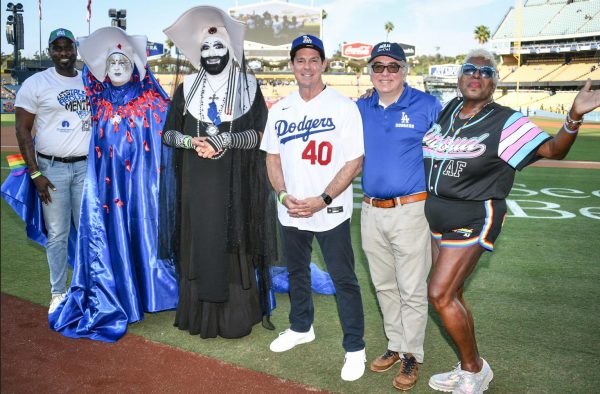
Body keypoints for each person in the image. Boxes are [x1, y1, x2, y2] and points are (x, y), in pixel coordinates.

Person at [423, 48, 600, 393]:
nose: (476, 76)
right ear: (459, 77)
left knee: (439, 294)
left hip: (475, 214)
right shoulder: (449, 110)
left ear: (494, 83)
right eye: (469, 69)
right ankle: (469, 365)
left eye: (486, 72)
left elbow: (553, 150)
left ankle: (475, 369)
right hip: (438, 217)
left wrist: (574, 116)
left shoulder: (504, 120)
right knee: (453, 293)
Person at [48, 26, 179, 341]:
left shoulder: (151, 99)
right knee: (110, 236)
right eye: (112, 63)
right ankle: (115, 293)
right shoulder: (95, 98)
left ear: (135, 65)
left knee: (143, 233)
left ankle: (153, 291)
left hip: (143, 192)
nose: (117, 68)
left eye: (124, 62)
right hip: (107, 191)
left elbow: (171, 135)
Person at [161, 6, 277, 339]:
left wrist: (226, 138)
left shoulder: (248, 86)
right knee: (199, 242)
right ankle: (201, 316)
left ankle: (233, 317)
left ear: (231, 49)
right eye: (205, 48)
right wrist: (188, 139)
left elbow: (259, 134)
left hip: (234, 185)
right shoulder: (186, 88)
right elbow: (168, 134)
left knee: (232, 241)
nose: (212, 54)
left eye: (218, 46)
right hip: (195, 184)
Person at [260, 34, 366, 382]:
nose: (306, 66)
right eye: (300, 60)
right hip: (291, 207)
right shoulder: (281, 109)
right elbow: (272, 156)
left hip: (329, 209)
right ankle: (301, 327)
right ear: (292, 65)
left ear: (323, 64)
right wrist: (282, 194)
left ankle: (355, 348)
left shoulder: (342, 106)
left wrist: (323, 198)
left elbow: (355, 161)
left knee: (343, 279)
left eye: (312, 60)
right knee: (297, 273)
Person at [356, 42, 441, 391]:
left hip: (411, 209)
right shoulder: (360, 107)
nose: (386, 72)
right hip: (370, 209)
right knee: (384, 285)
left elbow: (447, 155)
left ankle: (412, 354)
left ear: (405, 70)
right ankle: (395, 344)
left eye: (394, 66)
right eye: (379, 66)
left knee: (411, 288)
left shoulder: (427, 104)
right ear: (371, 72)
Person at [13, 28, 91, 314]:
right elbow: (22, 130)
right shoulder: (36, 82)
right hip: (52, 168)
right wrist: (35, 173)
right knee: (57, 234)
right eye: (57, 48)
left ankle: (90, 288)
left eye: (67, 47)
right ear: (49, 51)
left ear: (75, 49)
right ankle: (59, 292)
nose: (63, 53)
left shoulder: (89, 81)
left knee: (88, 232)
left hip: (86, 168)